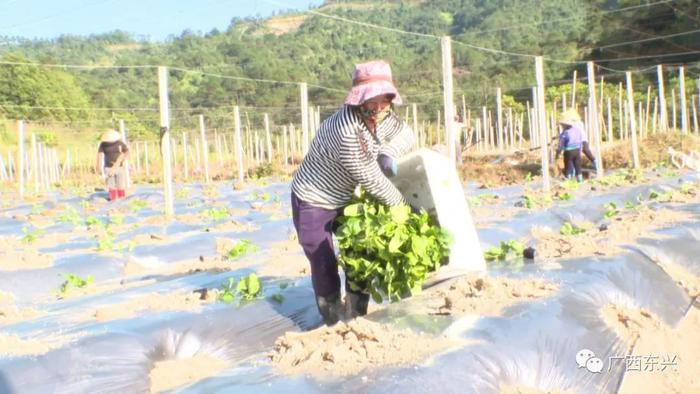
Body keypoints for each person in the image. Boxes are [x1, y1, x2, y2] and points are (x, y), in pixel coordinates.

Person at [290, 60, 416, 325]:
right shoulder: (345, 128)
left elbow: (406, 133)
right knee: (323, 260)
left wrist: (389, 153)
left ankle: (357, 314)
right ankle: (333, 318)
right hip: (314, 197)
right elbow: (369, 177)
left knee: (361, 250)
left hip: (346, 198)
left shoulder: (383, 117)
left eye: (385, 100)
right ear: (359, 99)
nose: (379, 107)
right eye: (372, 101)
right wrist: (401, 205)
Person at [96, 129, 129, 201]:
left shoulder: (119, 143)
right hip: (108, 168)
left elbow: (126, 151)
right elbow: (99, 155)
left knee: (120, 185)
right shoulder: (103, 144)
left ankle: (122, 200)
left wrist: (123, 159)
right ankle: (113, 200)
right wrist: (98, 167)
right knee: (111, 185)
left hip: (119, 167)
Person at [556, 109, 584, 182]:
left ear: (564, 125)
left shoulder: (565, 133)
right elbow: (581, 142)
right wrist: (580, 150)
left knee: (568, 166)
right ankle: (580, 181)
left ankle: (568, 180)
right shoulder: (578, 130)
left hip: (569, 152)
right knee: (578, 167)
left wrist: (558, 154)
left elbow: (560, 145)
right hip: (577, 151)